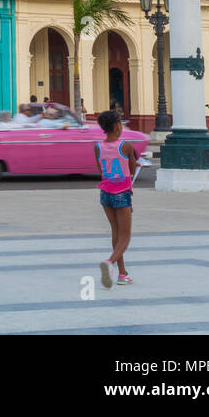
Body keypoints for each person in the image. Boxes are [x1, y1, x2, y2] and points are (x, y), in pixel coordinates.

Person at [94, 109, 138, 287]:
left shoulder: (97, 146)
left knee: (115, 232)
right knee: (125, 236)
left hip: (105, 193)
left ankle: (123, 273)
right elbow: (133, 169)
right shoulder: (125, 145)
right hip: (122, 193)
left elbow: (101, 169)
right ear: (117, 126)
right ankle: (109, 263)